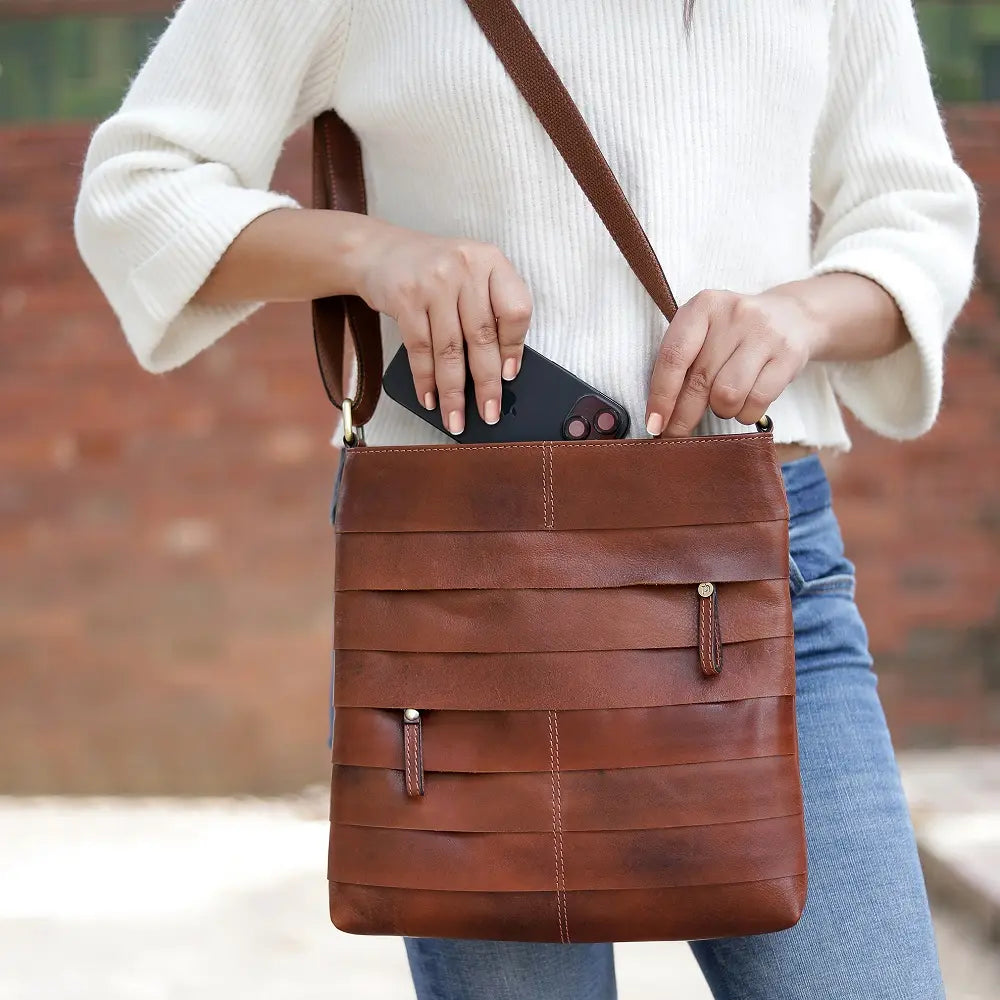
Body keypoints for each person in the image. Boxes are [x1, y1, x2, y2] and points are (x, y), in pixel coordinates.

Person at [75, 1, 979, 997]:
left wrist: (797, 314)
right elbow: (139, 186)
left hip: (761, 572)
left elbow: (913, 214)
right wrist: (374, 255)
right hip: (475, 597)